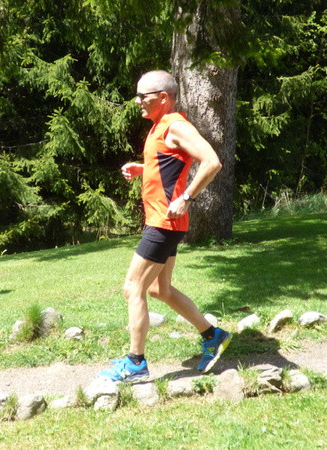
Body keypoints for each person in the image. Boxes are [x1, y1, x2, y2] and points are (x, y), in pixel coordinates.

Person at [99, 70, 232, 382]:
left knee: (133, 288)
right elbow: (168, 165)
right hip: (165, 222)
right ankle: (212, 336)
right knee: (160, 289)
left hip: (163, 224)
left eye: (143, 96)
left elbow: (211, 161)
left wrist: (187, 196)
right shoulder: (161, 127)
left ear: (163, 98)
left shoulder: (176, 125)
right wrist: (143, 169)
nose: (137, 102)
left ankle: (135, 364)